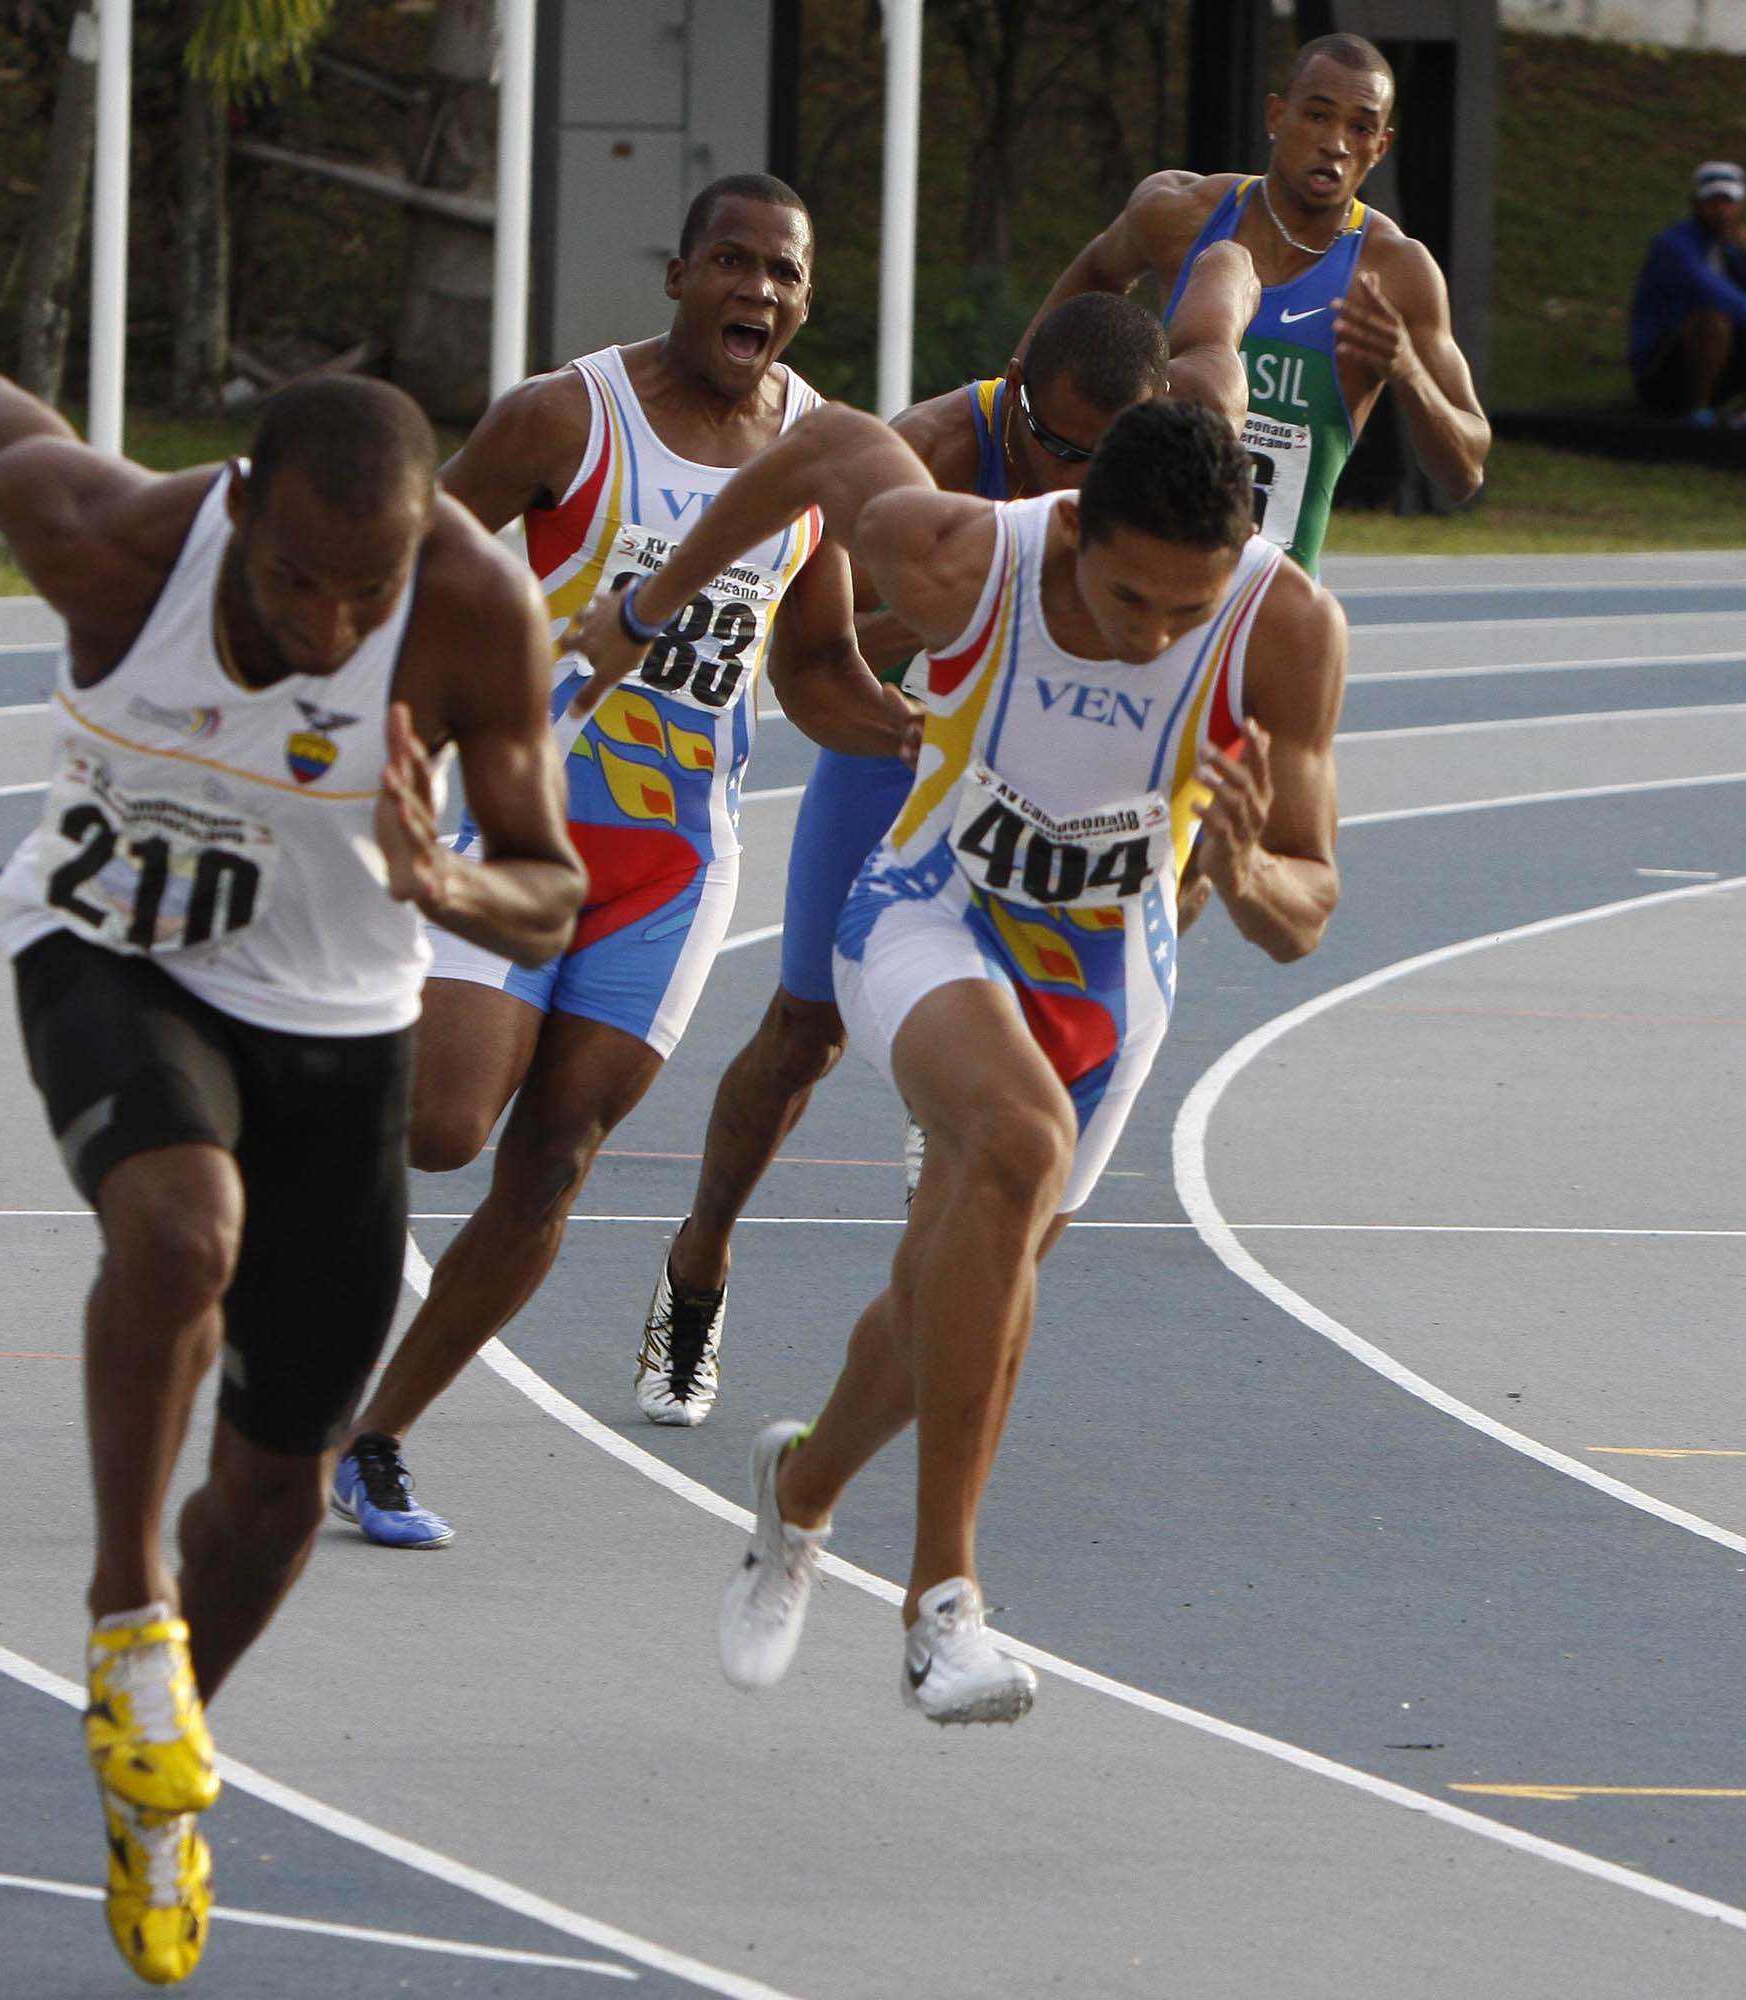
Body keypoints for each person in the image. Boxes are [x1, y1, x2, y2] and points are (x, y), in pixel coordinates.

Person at [0, 366, 583, 1984]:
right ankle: (123, 1601)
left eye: (370, 585)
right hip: (113, 956)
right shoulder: (114, 540)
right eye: (298, 576)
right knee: (178, 1227)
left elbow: (553, 887)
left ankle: (157, 1786)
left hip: (343, 1025)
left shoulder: (471, 613)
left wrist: (445, 882)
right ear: (238, 508)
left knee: (282, 1491)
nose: (333, 620)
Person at [570, 392, 1346, 1726]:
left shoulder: (1284, 630)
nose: (1153, 634)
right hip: (928, 915)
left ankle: (800, 1493)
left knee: (955, 1304)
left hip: (1110, 984)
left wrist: (1247, 869)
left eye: (1184, 609)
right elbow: (808, 455)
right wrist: (648, 613)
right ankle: (944, 1606)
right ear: (1071, 535)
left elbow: (1305, 911)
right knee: (1016, 1147)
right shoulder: (962, 552)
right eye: (1126, 599)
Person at [324, 171, 911, 1547]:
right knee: (444, 1126)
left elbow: (816, 667)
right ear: (680, 276)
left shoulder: (817, 450)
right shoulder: (565, 416)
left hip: (673, 866)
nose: (757, 293)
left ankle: (378, 1438)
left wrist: (906, 728)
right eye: (733, 264)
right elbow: (418, 567)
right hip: (517, 823)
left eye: (784, 274)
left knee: (555, 1159)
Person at [634, 250, 1257, 1429]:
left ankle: (944, 1198)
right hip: (912, 746)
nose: (1077, 479)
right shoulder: (928, 450)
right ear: (1016, 387)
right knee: (802, 1026)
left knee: (1088, 988)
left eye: (1102, 458)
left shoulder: (1170, 458)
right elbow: (808, 639)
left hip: (1065, 784)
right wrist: (951, 637)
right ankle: (698, 1263)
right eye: (1057, 447)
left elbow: (1226, 269)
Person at [1031, 31, 1490, 569]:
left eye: (1360, 127)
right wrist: (1024, 406)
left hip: (1266, 603)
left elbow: (1466, 473)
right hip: (1143, 572)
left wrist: (1408, 371)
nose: (1336, 143)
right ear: (1276, 116)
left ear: (1380, 146)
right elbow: (1096, 269)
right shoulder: (1182, 215)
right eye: (1317, 115)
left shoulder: (1396, 272)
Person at [1628, 160, 1746, 428]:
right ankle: (1697, 411)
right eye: (1712, 201)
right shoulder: (1673, 245)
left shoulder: (1735, 246)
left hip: (1723, 362)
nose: (1721, 211)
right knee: (1714, 318)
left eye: (1729, 202)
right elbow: (1711, 292)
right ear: (1695, 203)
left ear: (1742, 204)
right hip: (1662, 371)